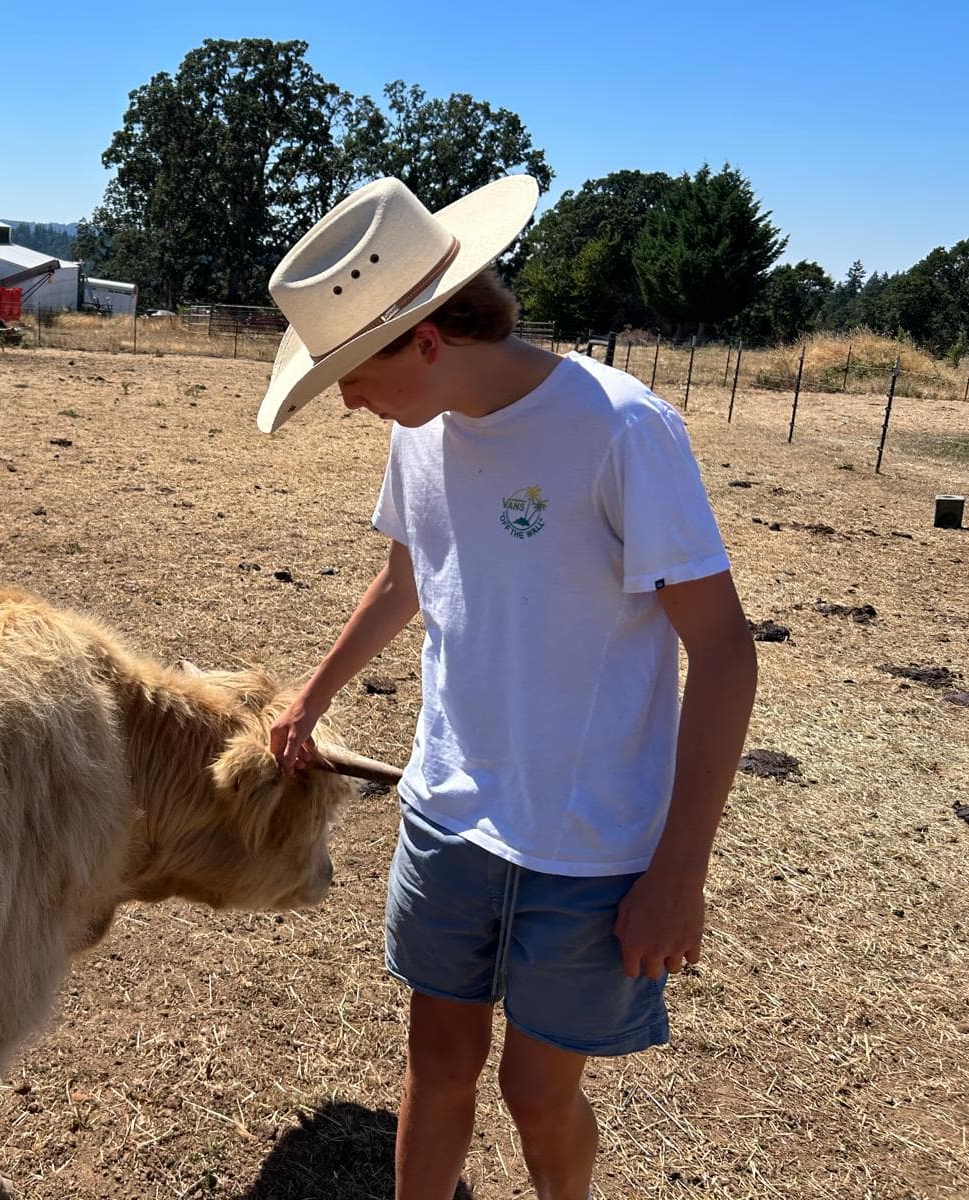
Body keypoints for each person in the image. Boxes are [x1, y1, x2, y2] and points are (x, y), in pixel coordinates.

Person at [256, 175, 758, 1200]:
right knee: (436, 1069)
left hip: (587, 844)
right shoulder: (418, 431)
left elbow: (724, 651)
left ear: (426, 339)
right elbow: (406, 575)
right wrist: (311, 693)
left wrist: (678, 872)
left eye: (353, 370)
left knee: (537, 1094)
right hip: (447, 816)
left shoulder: (621, 430)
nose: (346, 397)